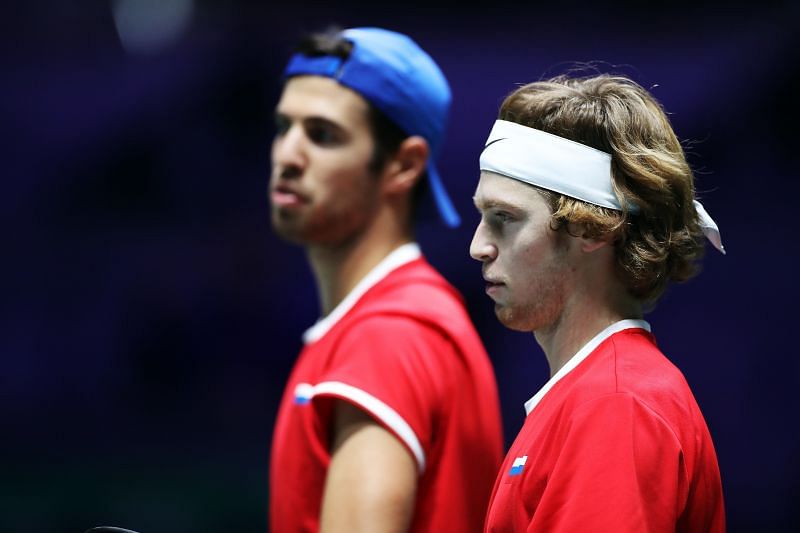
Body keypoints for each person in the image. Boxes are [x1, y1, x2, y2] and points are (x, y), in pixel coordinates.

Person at [268, 27, 504, 532]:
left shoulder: (390, 335)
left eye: (322, 134)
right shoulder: (392, 323)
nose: (287, 155)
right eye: (283, 127)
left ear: (404, 164)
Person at [470, 74, 726, 531]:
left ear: (591, 227)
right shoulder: (600, 395)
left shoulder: (616, 405)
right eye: (482, 217)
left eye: (504, 218)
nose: (478, 246)